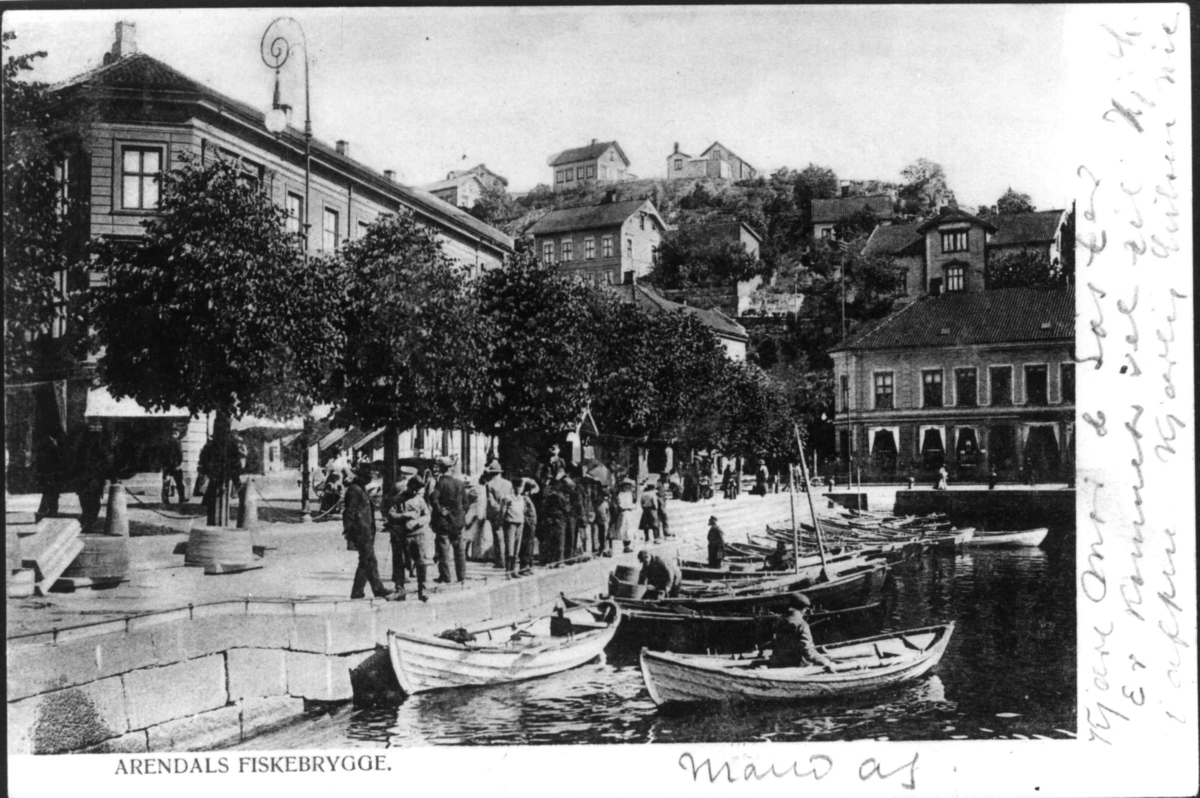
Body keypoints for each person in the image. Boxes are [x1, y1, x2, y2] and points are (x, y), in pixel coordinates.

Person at [345, 463, 393, 601]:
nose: (369, 480)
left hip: (366, 531)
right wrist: (350, 533)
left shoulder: (360, 489)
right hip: (360, 532)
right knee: (370, 561)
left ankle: (357, 592)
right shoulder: (354, 490)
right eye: (367, 477)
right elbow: (349, 513)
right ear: (360, 476)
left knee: (365, 561)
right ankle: (378, 590)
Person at [387, 475, 433, 602]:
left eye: (417, 489)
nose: (414, 492)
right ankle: (400, 590)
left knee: (421, 562)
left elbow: (427, 516)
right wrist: (404, 516)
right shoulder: (398, 499)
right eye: (413, 489)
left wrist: (417, 522)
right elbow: (391, 514)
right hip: (401, 535)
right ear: (408, 486)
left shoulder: (420, 500)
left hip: (418, 535)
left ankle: (422, 590)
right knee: (399, 563)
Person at [766, 594, 839, 671]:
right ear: (803, 609)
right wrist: (825, 661)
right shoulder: (802, 625)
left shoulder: (780, 621)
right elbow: (807, 651)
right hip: (796, 666)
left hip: (777, 664)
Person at [428, 456, 470, 584]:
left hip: (444, 523)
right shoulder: (459, 483)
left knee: (443, 551)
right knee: (460, 551)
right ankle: (461, 576)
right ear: (451, 468)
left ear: (440, 468)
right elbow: (466, 504)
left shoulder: (441, 482)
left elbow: (433, 499)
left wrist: (441, 510)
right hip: (458, 522)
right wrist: (459, 513)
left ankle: (445, 577)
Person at [483, 461, 514, 569]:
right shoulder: (508, 483)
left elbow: (492, 503)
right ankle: (509, 561)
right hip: (509, 513)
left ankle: (500, 561)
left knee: (498, 537)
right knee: (508, 537)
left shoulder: (490, 485)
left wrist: (499, 511)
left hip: (496, 515)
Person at [539, 469, 570, 567]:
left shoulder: (547, 491)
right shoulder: (559, 495)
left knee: (550, 540)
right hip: (559, 519)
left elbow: (543, 506)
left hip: (549, 519)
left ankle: (551, 561)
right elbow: (566, 508)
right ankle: (559, 561)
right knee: (560, 541)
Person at [35, 432, 63, 521]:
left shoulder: (45, 443)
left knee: (50, 493)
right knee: (51, 493)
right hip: (51, 474)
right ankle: (49, 512)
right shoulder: (51, 444)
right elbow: (57, 460)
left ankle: (49, 512)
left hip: (48, 474)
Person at [517, 477, 539, 573]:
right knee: (526, 545)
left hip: (531, 524)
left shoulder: (527, 498)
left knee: (530, 545)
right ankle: (524, 566)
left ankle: (528, 565)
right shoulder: (524, 498)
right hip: (528, 524)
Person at [160, 426, 186, 505]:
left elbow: (160, 455)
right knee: (179, 483)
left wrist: (163, 465)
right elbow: (180, 454)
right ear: (176, 433)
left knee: (166, 483)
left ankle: (165, 500)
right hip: (175, 466)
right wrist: (178, 464)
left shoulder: (164, 442)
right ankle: (181, 499)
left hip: (166, 466)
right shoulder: (177, 442)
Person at [614, 478, 638, 554]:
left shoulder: (629, 494)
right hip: (624, 513)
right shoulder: (621, 494)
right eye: (626, 486)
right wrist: (631, 506)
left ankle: (628, 545)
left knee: (629, 530)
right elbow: (621, 505)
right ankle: (625, 546)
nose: (628, 488)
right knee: (625, 530)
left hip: (630, 513)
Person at [656, 473, 673, 538]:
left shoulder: (663, 483)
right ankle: (661, 533)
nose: (667, 478)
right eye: (666, 477)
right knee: (663, 518)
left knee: (662, 518)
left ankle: (664, 533)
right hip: (659, 504)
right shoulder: (659, 484)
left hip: (662, 503)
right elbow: (659, 495)